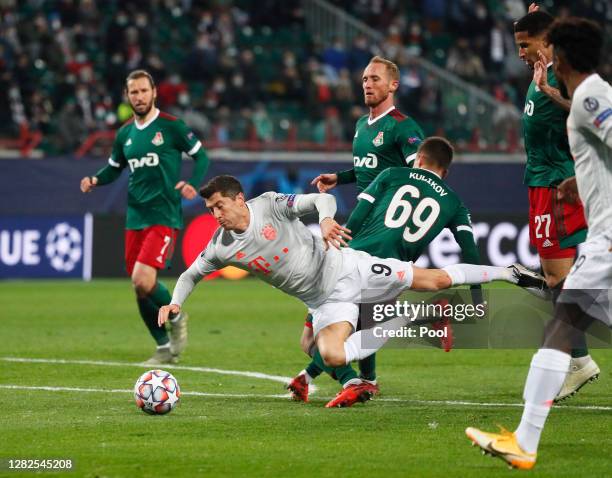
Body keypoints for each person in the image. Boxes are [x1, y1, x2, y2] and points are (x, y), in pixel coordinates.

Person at [158, 175, 546, 388]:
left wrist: (326, 219)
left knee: (437, 279)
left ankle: (508, 272)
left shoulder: (270, 205)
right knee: (331, 354)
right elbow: (192, 273)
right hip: (324, 301)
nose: (215, 215)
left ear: (239, 199)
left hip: (345, 266)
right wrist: (176, 301)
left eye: (219, 206)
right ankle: (410, 321)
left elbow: (320, 201)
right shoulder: (221, 246)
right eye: (210, 210)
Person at [467, 17, 610, 470]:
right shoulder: (589, 94)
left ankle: (525, 441)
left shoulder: (591, 96)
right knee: (565, 322)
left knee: (562, 324)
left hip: (607, 242)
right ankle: (524, 441)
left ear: (560, 54)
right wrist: (576, 180)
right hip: (602, 239)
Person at [290, 137, 483, 408]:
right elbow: (470, 252)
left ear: (418, 159)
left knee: (326, 334)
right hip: (393, 274)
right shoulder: (454, 203)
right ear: (445, 171)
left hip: (352, 262)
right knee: (334, 334)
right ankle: (346, 377)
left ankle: (329, 378)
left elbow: (360, 212)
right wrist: (478, 298)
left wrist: (339, 243)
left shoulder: (392, 174)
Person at [299, 56, 426, 401]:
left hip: (383, 231)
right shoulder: (361, 124)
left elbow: (421, 177)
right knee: (352, 312)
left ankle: (352, 378)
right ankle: (357, 377)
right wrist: (339, 177)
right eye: (364, 78)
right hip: (360, 226)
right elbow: (368, 169)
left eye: (374, 79)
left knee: (356, 309)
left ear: (393, 85)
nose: (367, 84)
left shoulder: (404, 127)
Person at [80, 69, 210, 365]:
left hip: (163, 213)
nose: (138, 96)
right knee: (139, 288)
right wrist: (96, 180)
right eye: (133, 92)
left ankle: (176, 315)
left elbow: (201, 155)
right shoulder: (125, 133)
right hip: (134, 216)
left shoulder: (171, 127)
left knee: (142, 278)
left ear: (154, 93)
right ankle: (163, 347)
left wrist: (193, 184)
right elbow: (114, 167)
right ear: (128, 97)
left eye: (143, 91)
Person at [513, 8, 599, 400]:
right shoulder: (542, 69)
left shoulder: (561, 77)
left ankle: (577, 361)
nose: (520, 53)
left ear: (545, 40)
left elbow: (583, 108)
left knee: (558, 279)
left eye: (524, 45)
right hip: (540, 183)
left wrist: (550, 93)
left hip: (555, 185)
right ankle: (576, 358)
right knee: (554, 278)